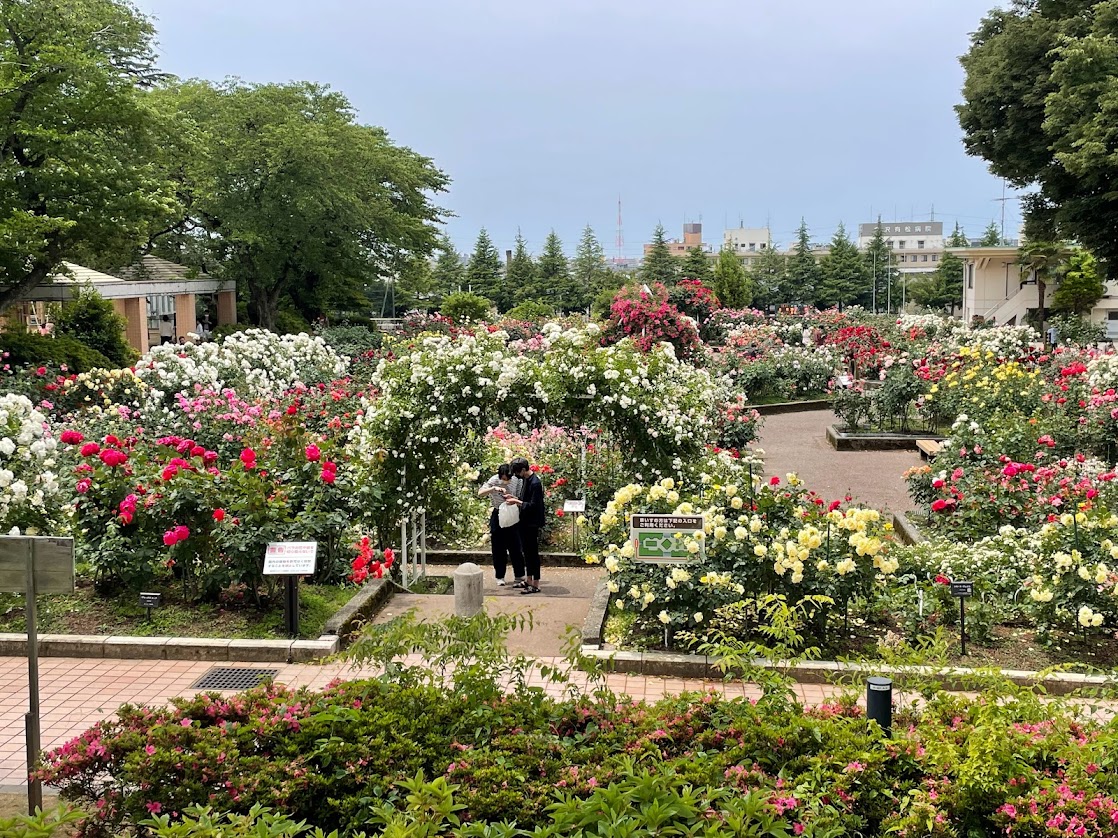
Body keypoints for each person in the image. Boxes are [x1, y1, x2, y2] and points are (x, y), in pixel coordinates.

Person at [477, 464, 524, 587]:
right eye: (503, 478)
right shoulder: (493, 480)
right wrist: (494, 489)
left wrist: (512, 498)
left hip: (512, 512)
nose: (506, 481)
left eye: (507, 478)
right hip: (498, 514)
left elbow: (520, 496)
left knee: (515, 547)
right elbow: (480, 493)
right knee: (498, 548)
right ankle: (500, 576)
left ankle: (519, 575)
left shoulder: (516, 481)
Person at [506, 457, 544, 594]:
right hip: (525, 521)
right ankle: (528, 580)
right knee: (527, 552)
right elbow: (525, 500)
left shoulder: (535, 483)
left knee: (532, 553)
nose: (516, 475)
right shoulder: (527, 480)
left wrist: (517, 502)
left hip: (532, 523)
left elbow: (534, 506)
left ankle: (536, 583)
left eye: (517, 472)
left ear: (523, 469)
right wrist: (515, 499)